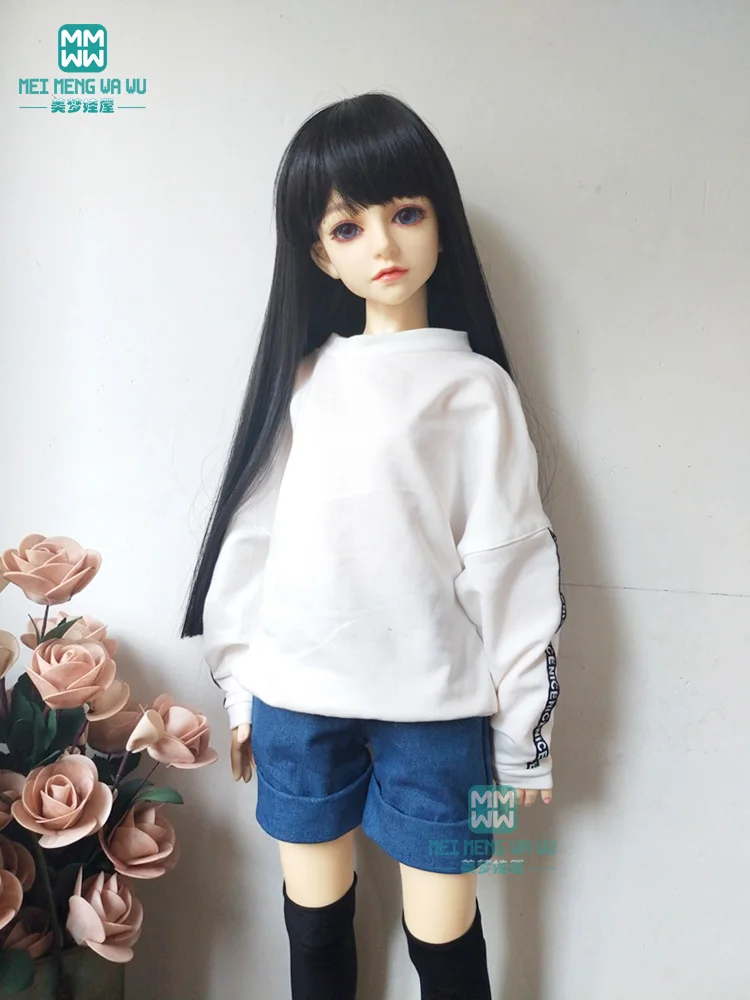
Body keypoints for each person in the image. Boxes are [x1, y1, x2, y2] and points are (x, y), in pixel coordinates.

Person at [180, 91, 566, 1000]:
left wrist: (523, 741)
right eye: (349, 228)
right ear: (321, 254)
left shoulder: (475, 389)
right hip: (297, 700)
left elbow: (511, 564)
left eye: (406, 214)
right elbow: (253, 536)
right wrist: (241, 686)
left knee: (445, 933)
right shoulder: (305, 380)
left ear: (441, 223)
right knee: (314, 924)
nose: (383, 245)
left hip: (435, 710)